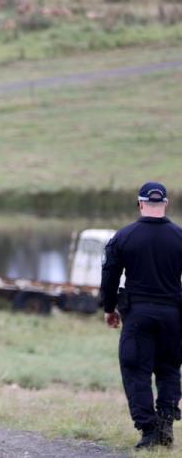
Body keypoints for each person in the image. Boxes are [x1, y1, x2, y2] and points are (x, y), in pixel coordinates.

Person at [101, 182, 182, 449]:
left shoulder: (124, 236)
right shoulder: (179, 236)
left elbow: (110, 277)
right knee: (169, 370)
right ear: (166, 204)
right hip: (173, 315)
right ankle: (166, 424)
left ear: (140, 204)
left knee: (136, 370)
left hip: (138, 314)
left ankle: (149, 431)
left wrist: (109, 308)